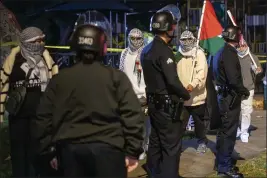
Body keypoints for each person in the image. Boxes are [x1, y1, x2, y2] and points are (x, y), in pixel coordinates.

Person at [31, 23, 144, 177]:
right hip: (109, 152)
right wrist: (133, 151)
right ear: (103, 48)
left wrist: (49, 152)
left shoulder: (60, 80)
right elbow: (133, 115)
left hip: (70, 153)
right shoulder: (115, 78)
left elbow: (43, 119)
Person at [0, 27, 58, 177]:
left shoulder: (47, 58)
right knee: (19, 154)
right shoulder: (14, 58)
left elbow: (56, 84)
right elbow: (3, 83)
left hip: (40, 117)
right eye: (36, 40)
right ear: (27, 42)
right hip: (18, 117)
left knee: (38, 154)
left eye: (42, 40)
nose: (41, 43)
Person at [141, 10, 190, 178]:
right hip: (166, 106)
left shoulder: (146, 50)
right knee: (171, 147)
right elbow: (172, 81)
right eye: (173, 25)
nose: (175, 28)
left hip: (154, 104)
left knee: (155, 142)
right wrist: (185, 94)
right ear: (168, 27)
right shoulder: (164, 50)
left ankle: (153, 172)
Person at [213, 25, 250, 178]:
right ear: (235, 37)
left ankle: (221, 162)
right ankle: (225, 167)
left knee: (223, 133)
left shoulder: (220, 51)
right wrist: (244, 91)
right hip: (229, 98)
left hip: (223, 97)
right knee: (228, 133)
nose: (241, 37)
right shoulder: (228, 53)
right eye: (239, 35)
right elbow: (233, 79)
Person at [175, 30, 209, 153]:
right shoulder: (177, 54)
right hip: (182, 97)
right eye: (183, 40)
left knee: (199, 123)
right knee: (180, 124)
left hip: (196, 97)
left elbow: (202, 73)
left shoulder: (199, 53)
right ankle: (177, 145)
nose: (186, 42)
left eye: (189, 39)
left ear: (193, 40)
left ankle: (202, 142)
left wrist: (192, 85)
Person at [119, 28, 150, 160]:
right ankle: (134, 147)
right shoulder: (124, 53)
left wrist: (148, 93)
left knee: (144, 124)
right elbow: (122, 73)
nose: (136, 41)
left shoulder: (146, 53)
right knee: (130, 124)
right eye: (133, 38)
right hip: (129, 95)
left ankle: (144, 146)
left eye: (138, 38)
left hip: (144, 94)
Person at [236, 42, 262, 143]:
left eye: (243, 46)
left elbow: (258, 72)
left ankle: (244, 132)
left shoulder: (253, 57)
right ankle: (237, 128)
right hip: (236, 89)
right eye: (239, 46)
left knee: (246, 111)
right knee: (236, 111)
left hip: (248, 88)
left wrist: (257, 70)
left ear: (247, 46)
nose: (241, 48)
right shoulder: (234, 57)